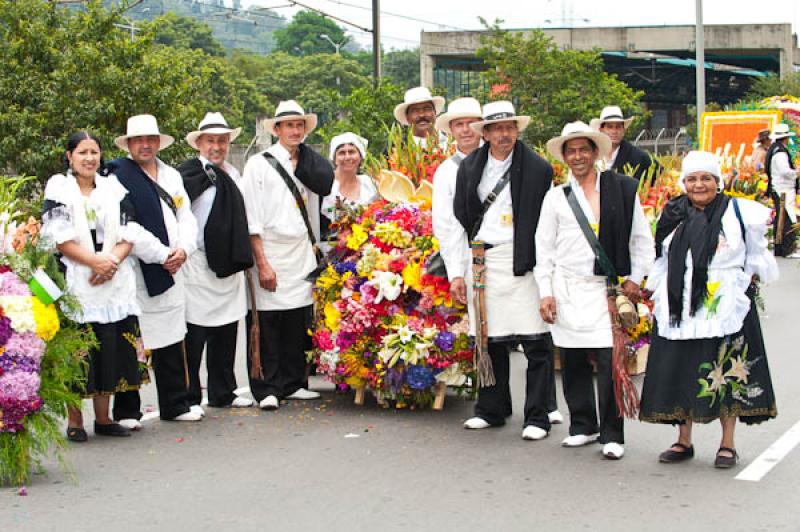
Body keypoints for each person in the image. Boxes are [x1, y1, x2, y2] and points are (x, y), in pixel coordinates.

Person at [640, 151, 778, 468]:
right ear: (684, 182)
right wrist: (652, 290)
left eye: (706, 178)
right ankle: (683, 440)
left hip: (726, 304)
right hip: (680, 304)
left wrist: (745, 281)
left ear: (717, 181)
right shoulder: (672, 212)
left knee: (725, 370)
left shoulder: (739, 212)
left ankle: (727, 444)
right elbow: (661, 257)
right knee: (683, 369)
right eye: (692, 179)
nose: (699, 184)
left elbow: (757, 256)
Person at [42, 131, 172, 440]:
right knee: (78, 352)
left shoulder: (113, 187)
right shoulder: (59, 187)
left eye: (94, 152)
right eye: (82, 152)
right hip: (77, 278)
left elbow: (130, 230)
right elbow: (59, 236)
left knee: (109, 349)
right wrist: (93, 262)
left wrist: (110, 261)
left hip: (113, 280)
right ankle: (75, 421)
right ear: (69, 156)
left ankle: (104, 418)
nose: (89, 158)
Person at [536, 121, 655, 459]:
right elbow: (543, 250)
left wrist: (636, 278)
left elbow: (642, 241)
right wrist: (546, 291)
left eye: (583, 149)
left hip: (605, 289)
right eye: (570, 151)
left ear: (595, 152)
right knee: (571, 360)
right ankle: (582, 426)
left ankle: (612, 433)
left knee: (609, 361)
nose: (577, 156)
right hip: (568, 288)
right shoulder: (556, 198)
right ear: (564, 157)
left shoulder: (621, 190)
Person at [453, 101, 557, 441]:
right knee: (489, 338)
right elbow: (462, 212)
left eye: (510, 127)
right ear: (485, 133)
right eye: (497, 128)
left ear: (517, 130)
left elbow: (545, 218)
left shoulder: (539, 169)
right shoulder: (470, 167)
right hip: (485, 259)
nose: (504, 134)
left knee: (535, 340)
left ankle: (537, 416)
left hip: (524, 258)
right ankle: (491, 409)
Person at [107, 114, 201, 424]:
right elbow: (126, 226)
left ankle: (175, 404)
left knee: (172, 338)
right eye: (138, 140)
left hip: (174, 267)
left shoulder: (172, 175)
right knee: (133, 341)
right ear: (129, 144)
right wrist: (161, 255)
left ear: (159, 142)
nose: (145, 145)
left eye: (150, 139)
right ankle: (126, 409)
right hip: (137, 271)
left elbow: (186, 216)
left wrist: (184, 249)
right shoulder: (116, 175)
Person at [241, 100, 334, 411]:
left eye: (299, 125)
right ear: (276, 129)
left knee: (298, 318)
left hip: (300, 250)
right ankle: (267, 386)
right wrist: (262, 262)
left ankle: (295, 382)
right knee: (268, 321)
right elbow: (251, 217)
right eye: (289, 125)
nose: (295, 130)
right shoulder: (258, 164)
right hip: (270, 249)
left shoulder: (309, 164)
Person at [177, 112, 254, 412]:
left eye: (222, 141)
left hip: (228, 263)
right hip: (197, 263)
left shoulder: (234, 175)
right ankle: (190, 395)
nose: (217, 147)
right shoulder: (186, 175)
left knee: (226, 331)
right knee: (195, 334)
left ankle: (224, 391)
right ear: (199, 143)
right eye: (211, 141)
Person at [320, 132, 377, 250]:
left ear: (360, 157)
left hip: (367, 249)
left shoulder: (370, 184)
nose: (347, 157)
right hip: (331, 252)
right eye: (341, 153)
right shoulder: (324, 185)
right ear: (334, 159)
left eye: (352, 152)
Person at [590, 105, 660, 182]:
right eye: (610, 127)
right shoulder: (592, 155)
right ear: (601, 130)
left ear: (623, 130)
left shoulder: (639, 157)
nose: (614, 131)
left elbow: (661, 177)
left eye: (618, 127)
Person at [764, 123, 799, 258]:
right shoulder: (780, 153)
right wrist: (796, 173)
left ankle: (780, 247)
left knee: (781, 218)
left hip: (779, 188)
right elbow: (785, 171)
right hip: (782, 188)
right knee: (787, 218)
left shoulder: (775, 149)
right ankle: (787, 248)